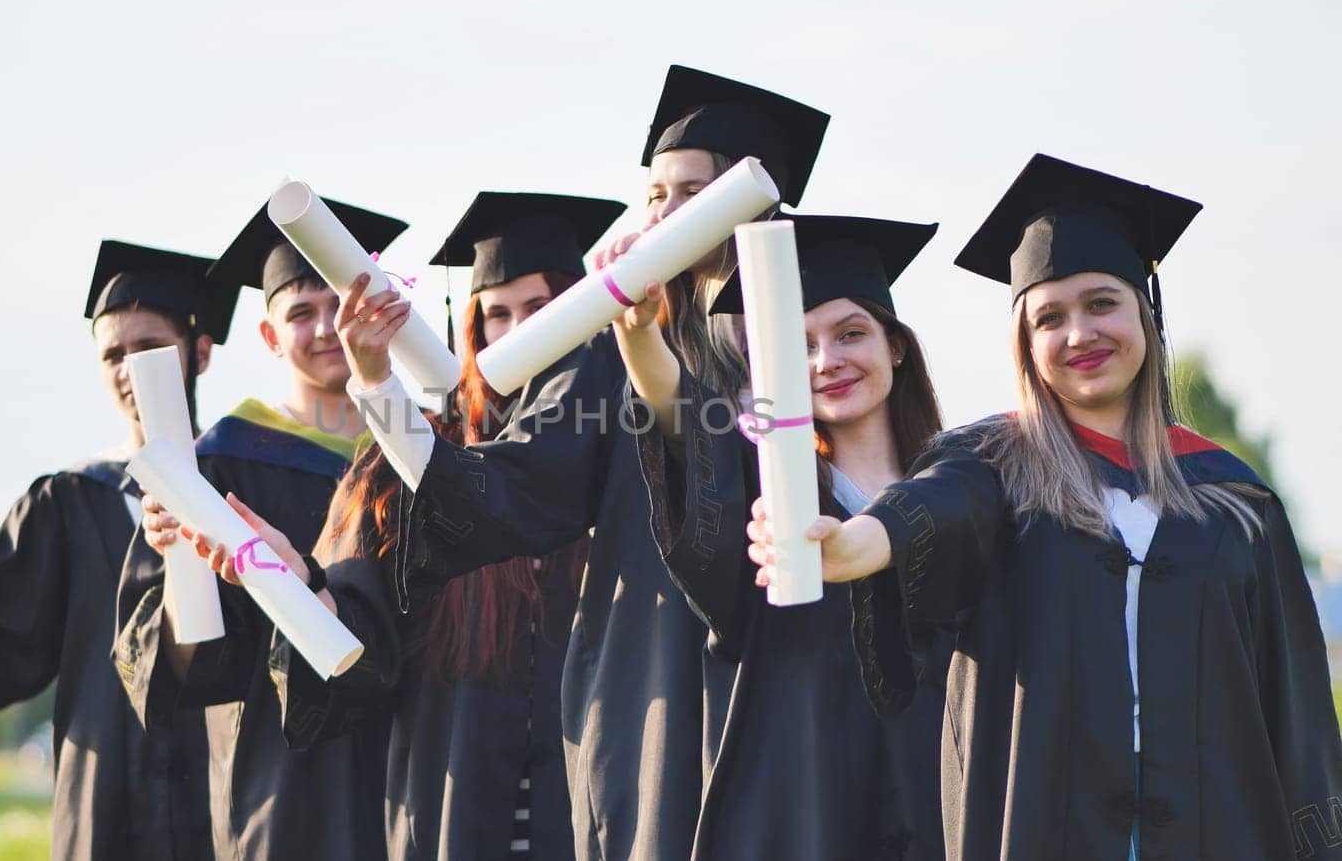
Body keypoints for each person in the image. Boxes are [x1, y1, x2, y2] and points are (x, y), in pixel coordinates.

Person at [749, 154, 1342, 859]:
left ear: (1145, 313)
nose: (1079, 335)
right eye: (1049, 318)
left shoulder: (1235, 501)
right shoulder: (994, 469)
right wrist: (853, 545)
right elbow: (927, 512)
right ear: (1026, 346)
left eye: (1101, 304)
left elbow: (1296, 717)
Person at [338, 65, 829, 860]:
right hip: (657, 688)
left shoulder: (817, 342)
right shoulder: (605, 357)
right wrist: (374, 382)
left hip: (800, 686)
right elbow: (503, 485)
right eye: (655, 195)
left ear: (752, 206)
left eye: (689, 192)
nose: (663, 213)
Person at [238, 190, 618, 860]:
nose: (520, 333)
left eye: (542, 309)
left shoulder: (623, 452)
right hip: (448, 815)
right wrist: (294, 578)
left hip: (603, 806)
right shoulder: (394, 466)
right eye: (496, 314)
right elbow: (355, 648)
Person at [0, 239, 236, 861]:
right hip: (107, 805)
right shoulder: (68, 502)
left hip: (232, 800)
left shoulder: (247, 486)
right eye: (113, 355)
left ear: (198, 353)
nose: (129, 370)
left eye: (149, 349)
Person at [611, 213, 949, 858]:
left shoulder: (960, 482)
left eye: (852, 334)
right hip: (802, 806)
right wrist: (637, 333)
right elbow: (680, 419)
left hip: (942, 799)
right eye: (800, 346)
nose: (828, 362)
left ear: (895, 346)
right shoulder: (767, 489)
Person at [112, 196, 406, 861]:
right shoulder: (216, 464)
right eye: (300, 312)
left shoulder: (412, 450)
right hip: (287, 781)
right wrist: (180, 563)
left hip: (414, 761)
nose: (328, 326)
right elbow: (163, 669)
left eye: (338, 301)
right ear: (270, 337)